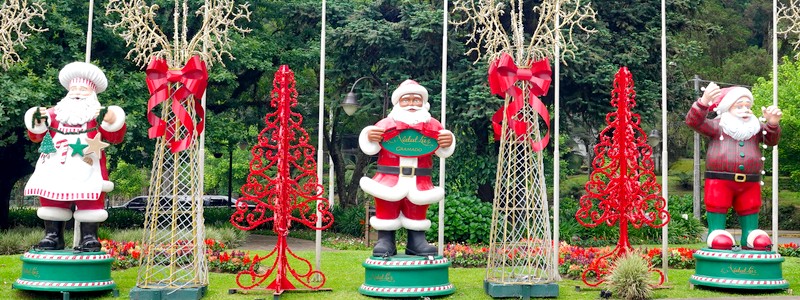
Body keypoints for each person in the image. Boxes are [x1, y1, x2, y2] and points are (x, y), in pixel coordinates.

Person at [23, 62, 126, 252]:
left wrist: (112, 119)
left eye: (83, 88)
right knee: (52, 198)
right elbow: (36, 135)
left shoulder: (97, 114)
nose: (77, 92)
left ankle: (89, 237)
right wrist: (36, 121)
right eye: (74, 88)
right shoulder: (53, 114)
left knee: (89, 200)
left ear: (93, 93)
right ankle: (53, 236)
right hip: (55, 165)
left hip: (87, 165)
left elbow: (115, 136)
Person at [359, 79, 455, 256]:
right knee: (387, 206)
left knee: (417, 208)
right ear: (398, 102)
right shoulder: (386, 124)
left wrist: (447, 142)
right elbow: (371, 146)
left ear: (423, 102)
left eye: (416, 99)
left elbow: (443, 148)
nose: (411, 104)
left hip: (420, 179)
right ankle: (385, 240)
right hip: (389, 179)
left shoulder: (432, 125)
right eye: (406, 100)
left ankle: (416, 241)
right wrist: (370, 135)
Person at [685, 82, 781, 251]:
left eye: (748, 105)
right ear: (727, 107)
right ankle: (716, 232)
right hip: (720, 180)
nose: (745, 109)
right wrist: (704, 102)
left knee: (751, 206)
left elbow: (771, 141)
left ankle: (750, 234)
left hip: (750, 182)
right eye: (739, 105)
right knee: (717, 205)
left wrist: (773, 123)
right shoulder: (718, 126)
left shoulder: (756, 128)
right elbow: (693, 122)